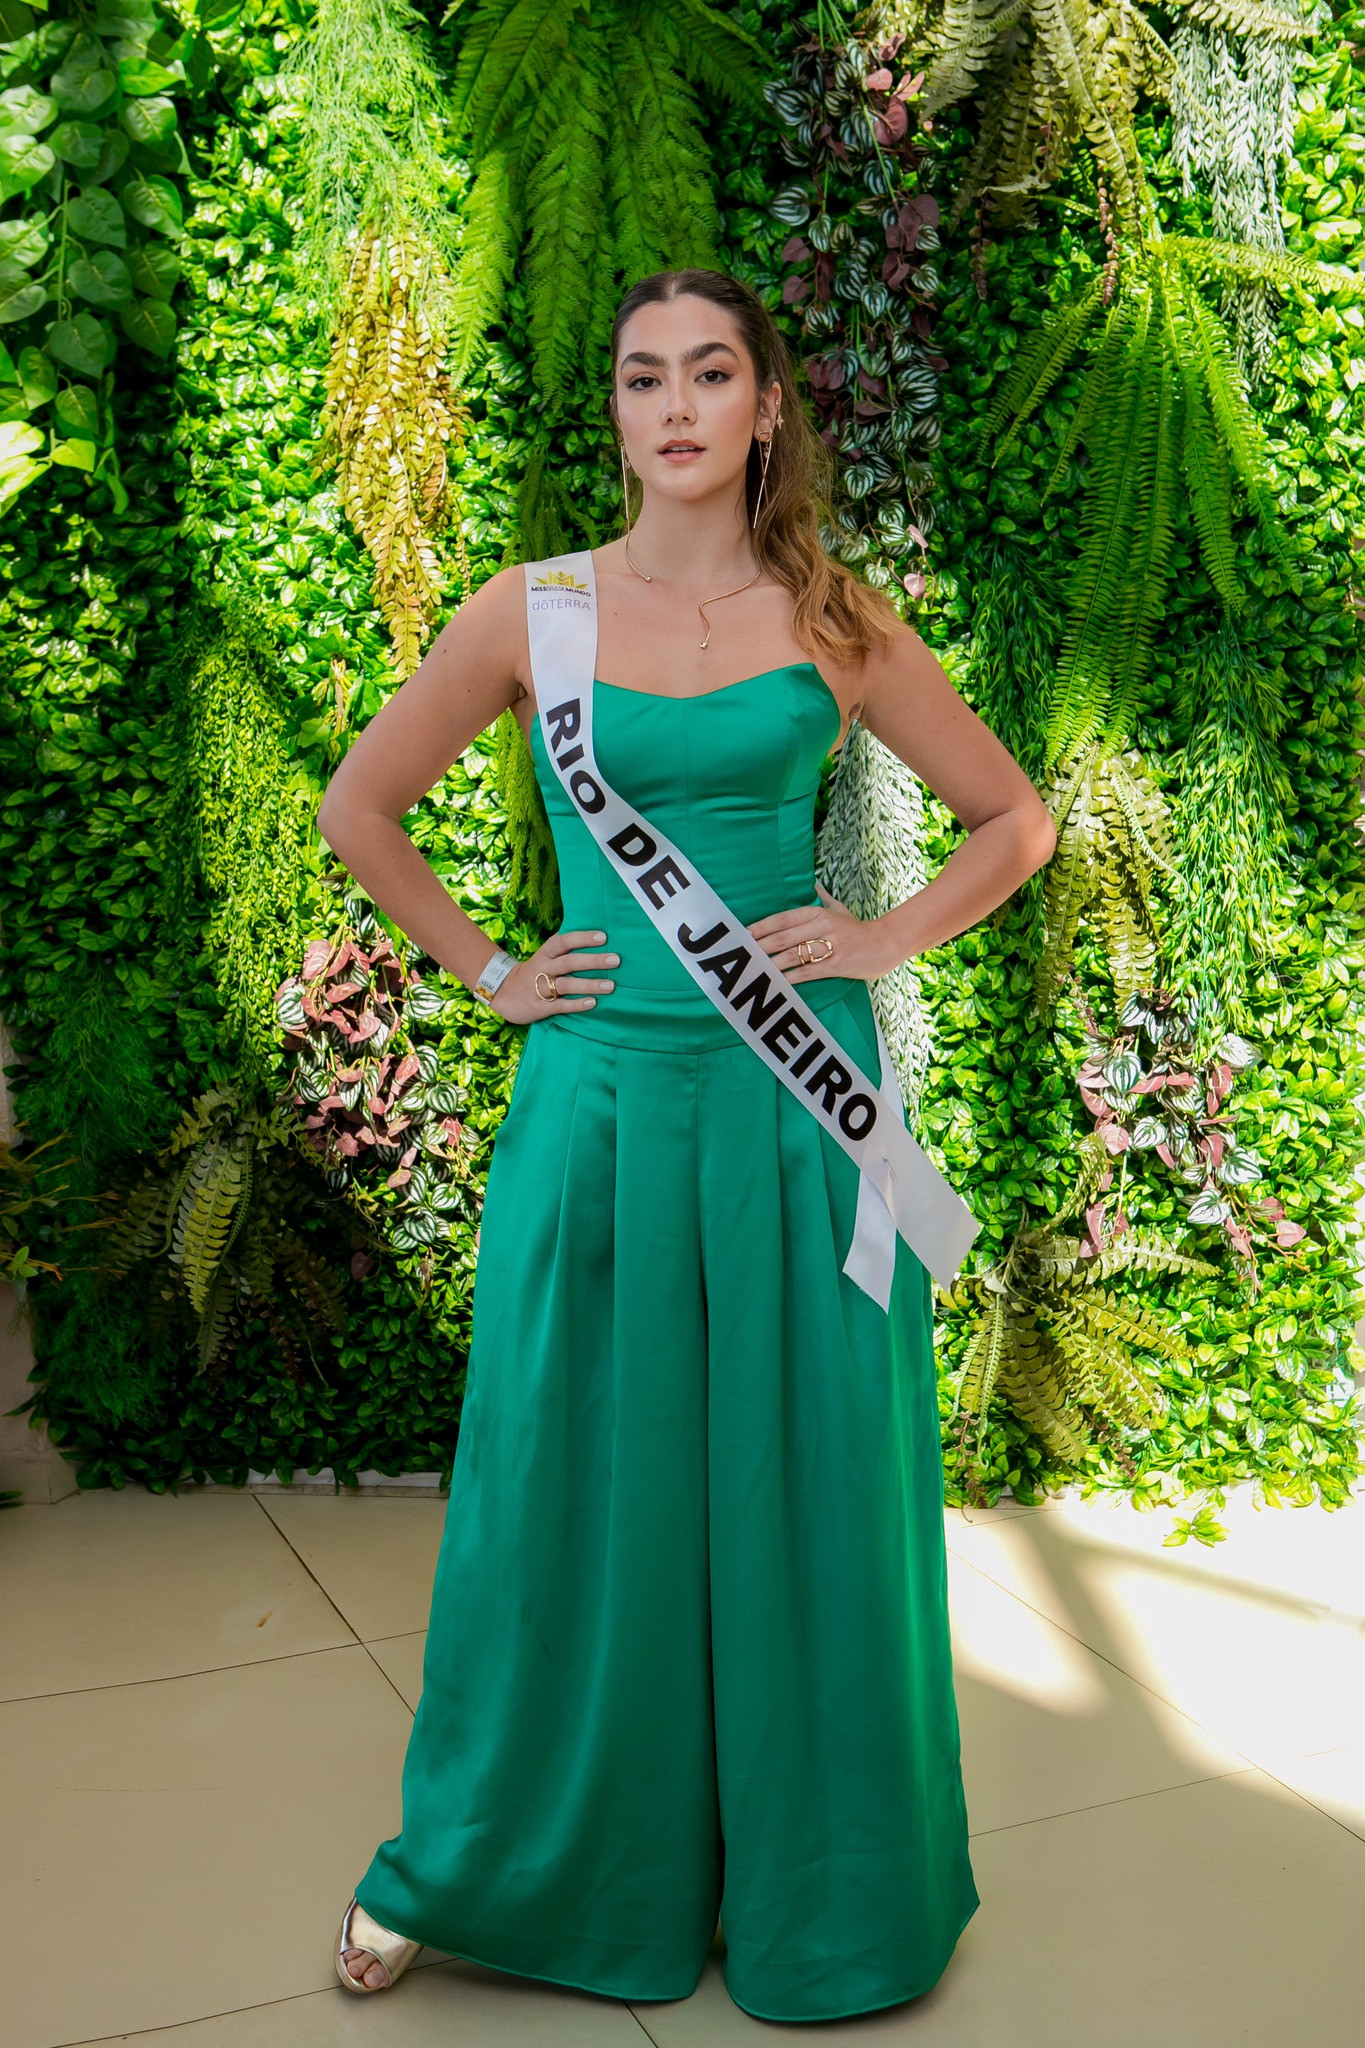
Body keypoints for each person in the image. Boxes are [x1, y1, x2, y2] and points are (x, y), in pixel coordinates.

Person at [316, 266, 1056, 2024]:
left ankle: (823, 1880)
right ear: (622, 416)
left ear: (763, 407)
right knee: (576, 1492)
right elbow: (362, 806)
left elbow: (1008, 818)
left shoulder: (832, 614)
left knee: (807, 1488)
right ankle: (493, 1861)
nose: (675, 407)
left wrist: (877, 941)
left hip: (801, 1116)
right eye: (643, 377)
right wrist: (492, 971)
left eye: (708, 373)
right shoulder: (533, 612)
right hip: (605, 1111)